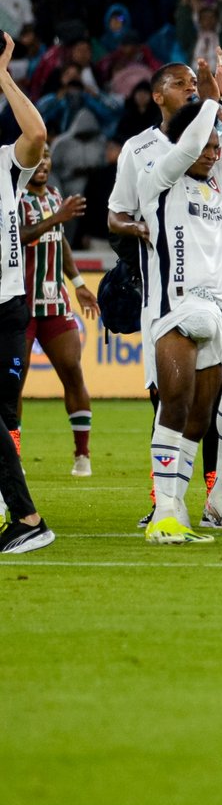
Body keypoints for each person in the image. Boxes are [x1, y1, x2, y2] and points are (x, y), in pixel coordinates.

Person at [133, 59, 222, 542]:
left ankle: (199, 501)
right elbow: (190, 140)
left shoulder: (217, 177)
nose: (215, 153)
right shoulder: (162, 175)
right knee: (175, 404)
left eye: (217, 146)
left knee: (199, 415)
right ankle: (165, 512)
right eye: (208, 144)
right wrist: (208, 100)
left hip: (219, 303)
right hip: (181, 303)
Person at [0, 33, 52, 553]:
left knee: (5, 416)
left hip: (8, 307)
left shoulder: (4, 164)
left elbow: (36, 131)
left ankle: (27, 519)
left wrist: (3, 76)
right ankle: (25, 516)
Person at [16, 154, 98, 474]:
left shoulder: (53, 196)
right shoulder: (13, 198)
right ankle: (15, 457)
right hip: (19, 306)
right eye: (37, 158)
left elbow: (59, 239)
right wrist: (57, 218)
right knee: (13, 385)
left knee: (73, 372)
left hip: (54, 303)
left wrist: (77, 282)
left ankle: (82, 455)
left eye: (48, 157)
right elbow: (19, 236)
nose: (44, 164)